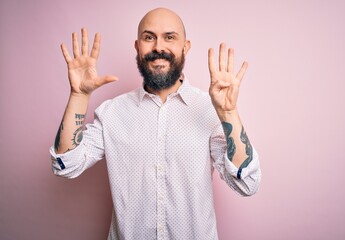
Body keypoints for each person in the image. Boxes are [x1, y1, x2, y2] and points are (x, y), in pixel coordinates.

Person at [50, 7, 261, 240]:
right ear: (137, 47)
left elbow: (246, 183)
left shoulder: (208, 110)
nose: (158, 47)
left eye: (169, 37)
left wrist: (228, 112)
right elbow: (65, 165)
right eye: (149, 37)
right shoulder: (112, 113)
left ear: (185, 46)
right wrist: (79, 97)